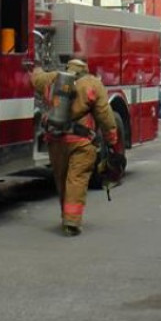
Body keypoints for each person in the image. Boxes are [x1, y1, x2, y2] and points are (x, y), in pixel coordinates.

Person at [31, 59, 120, 236]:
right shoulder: (93, 84)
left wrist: (36, 67)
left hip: (56, 141)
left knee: (61, 179)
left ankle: (66, 215)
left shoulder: (53, 78)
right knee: (76, 179)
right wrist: (112, 140)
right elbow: (104, 115)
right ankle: (71, 221)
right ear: (85, 69)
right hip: (81, 142)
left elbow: (36, 79)